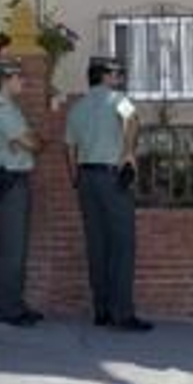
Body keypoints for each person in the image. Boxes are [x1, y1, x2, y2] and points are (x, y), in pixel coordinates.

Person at [65, 56, 153, 331]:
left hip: (86, 178)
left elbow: (69, 147)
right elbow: (134, 120)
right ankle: (122, 313)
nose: (120, 77)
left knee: (97, 245)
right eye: (116, 72)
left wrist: (75, 178)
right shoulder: (118, 98)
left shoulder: (77, 107)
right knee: (123, 246)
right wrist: (127, 153)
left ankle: (101, 310)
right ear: (103, 75)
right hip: (111, 178)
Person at [0, 59, 43, 327]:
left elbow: (27, 142)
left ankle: (15, 303)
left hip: (9, 180)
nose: (24, 81)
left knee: (13, 248)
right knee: (13, 250)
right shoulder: (3, 109)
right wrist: (33, 141)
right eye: (19, 77)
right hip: (11, 183)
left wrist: (28, 142)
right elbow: (32, 143)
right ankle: (8, 309)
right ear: (6, 79)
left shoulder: (3, 106)